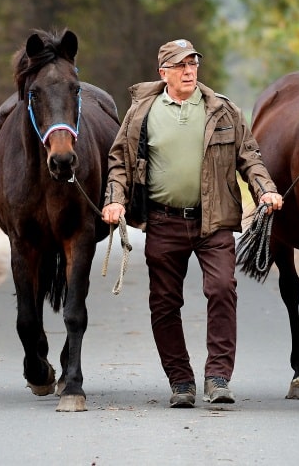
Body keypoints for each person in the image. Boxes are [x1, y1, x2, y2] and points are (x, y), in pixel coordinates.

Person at [101, 38, 283, 408]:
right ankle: (181, 381)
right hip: (163, 222)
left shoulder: (224, 110)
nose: (189, 71)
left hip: (214, 222)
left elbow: (250, 156)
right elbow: (119, 161)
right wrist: (115, 201)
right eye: (180, 65)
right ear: (163, 72)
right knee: (164, 304)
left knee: (221, 290)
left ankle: (218, 377)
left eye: (193, 63)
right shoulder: (142, 113)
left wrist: (265, 190)